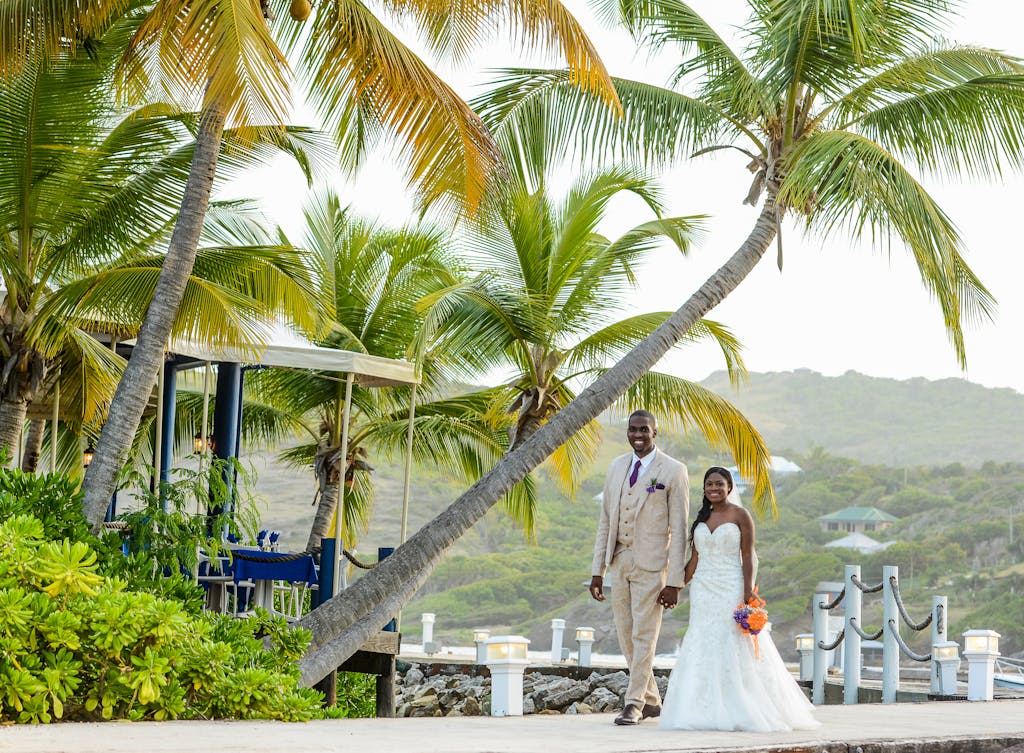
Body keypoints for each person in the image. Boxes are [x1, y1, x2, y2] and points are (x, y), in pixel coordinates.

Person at [659, 467, 819, 732]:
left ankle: (742, 705)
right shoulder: (702, 519)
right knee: (701, 639)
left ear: (730, 487)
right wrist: (675, 586)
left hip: (731, 586)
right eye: (709, 484)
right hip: (703, 589)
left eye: (719, 484)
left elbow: (747, 556)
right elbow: (695, 559)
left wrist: (747, 591)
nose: (714, 488)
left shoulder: (740, 515)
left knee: (731, 640)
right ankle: (699, 708)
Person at [590, 410, 689, 726]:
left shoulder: (674, 471)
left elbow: (680, 529)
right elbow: (606, 520)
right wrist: (598, 570)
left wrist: (674, 581)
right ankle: (651, 701)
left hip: (652, 566)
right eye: (632, 429)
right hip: (619, 561)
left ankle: (633, 703)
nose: (637, 435)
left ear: (655, 432)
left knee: (645, 634)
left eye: (644, 429)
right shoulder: (617, 466)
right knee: (626, 635)